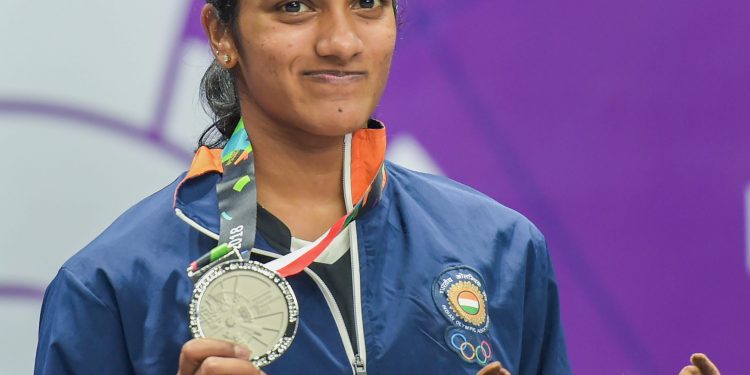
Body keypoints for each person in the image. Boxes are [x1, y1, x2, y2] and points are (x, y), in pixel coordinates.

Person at [33, 1, 718, 374]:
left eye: (366, 3)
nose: (340, 41)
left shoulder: (500, 250)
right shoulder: (112, 286)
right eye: (295, 7)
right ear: (221, 33)